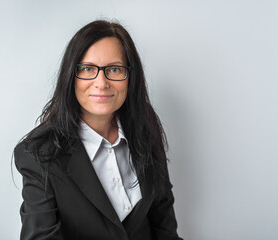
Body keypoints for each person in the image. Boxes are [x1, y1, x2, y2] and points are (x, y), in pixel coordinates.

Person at [14, 20, 183, 240]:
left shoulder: (145, 127)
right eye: (87, 69)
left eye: (114, 69)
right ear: (70, 76)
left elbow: (164, 229)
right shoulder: (38, 154)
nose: (101, 83)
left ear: (130, 77)